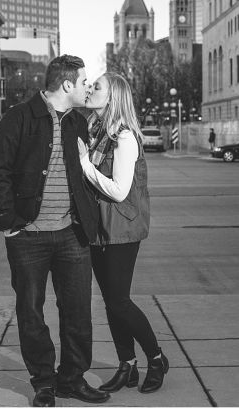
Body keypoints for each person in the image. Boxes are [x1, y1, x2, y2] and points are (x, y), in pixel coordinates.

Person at [0, 55, 110, 407]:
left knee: (78, 311)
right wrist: (9, 223)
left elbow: (82, 175)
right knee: (32, 312)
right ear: (68, 85)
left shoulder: (78, 123)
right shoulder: (19, 118)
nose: (87, 87)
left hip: (72, 235)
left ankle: (72, 378)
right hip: (29, 237)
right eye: (84, 81)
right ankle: (44, 382)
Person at [77, 72, 169, 394]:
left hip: (122, 230)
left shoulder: (125, 137)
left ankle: (156, 357)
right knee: (111, 301)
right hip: (101, 228)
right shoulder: (98, 130)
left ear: (112, 97)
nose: (90, 89)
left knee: (119, 301)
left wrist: (85, 164)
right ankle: (127, 365)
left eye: (96, 86)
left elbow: (118, 191)